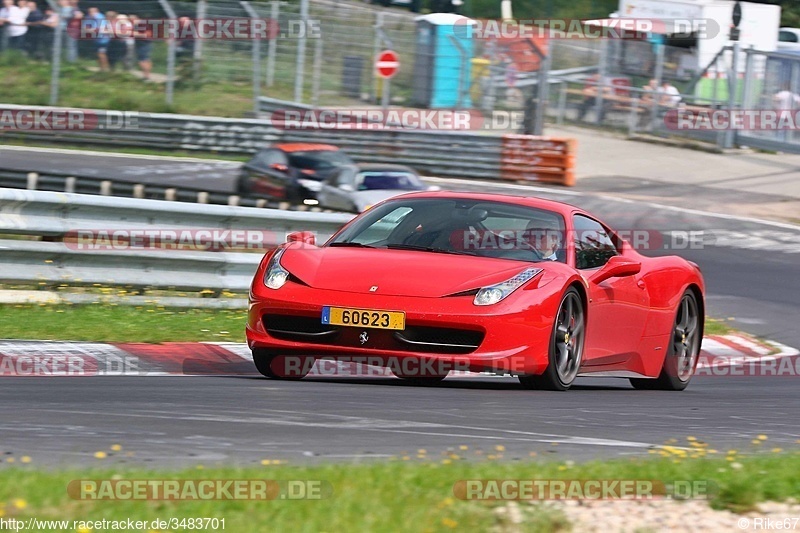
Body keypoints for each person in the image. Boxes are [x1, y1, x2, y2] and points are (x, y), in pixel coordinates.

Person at [85, 6, 109, 70]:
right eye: (90, 12)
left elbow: (102, 29)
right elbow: (85, 28)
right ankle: (101, 67)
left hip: (104, 40)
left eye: (92, 12)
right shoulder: (88, 17)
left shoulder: (100, 17)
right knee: (98, 54)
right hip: (96, 39)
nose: (91, 13)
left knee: (101, 53)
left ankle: (105, 68)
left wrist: (91, 30)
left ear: (97, 12)